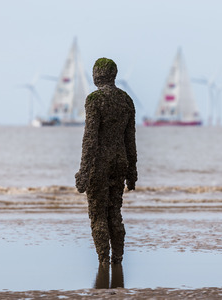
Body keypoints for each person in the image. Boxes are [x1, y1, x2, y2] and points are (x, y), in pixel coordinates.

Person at [75, 57, 137, 265]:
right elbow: (130, 139)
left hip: (99, 164)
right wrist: (132, 173)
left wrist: (83, 173)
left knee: (98, 214)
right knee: (115, 212)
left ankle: (103, 259)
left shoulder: (94, 100)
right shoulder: (126, 100)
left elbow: (90, 139)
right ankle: (117, 258)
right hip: (121, 162)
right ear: (114, 75)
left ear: (96, 75)